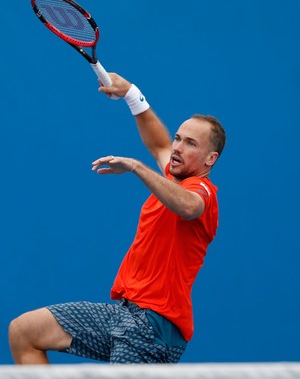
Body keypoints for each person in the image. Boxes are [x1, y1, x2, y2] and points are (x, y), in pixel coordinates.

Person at [8, 73, 226, 364]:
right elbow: (159, 145)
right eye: (178, 138)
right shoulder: (173, 178)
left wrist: (136, 167)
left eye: (190, 143)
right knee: (24, 331)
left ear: (210, 159)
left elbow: (189, 207)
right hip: (123, 313)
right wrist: (132, 94)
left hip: (154, 327)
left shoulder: (202, 192)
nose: (176, 147)